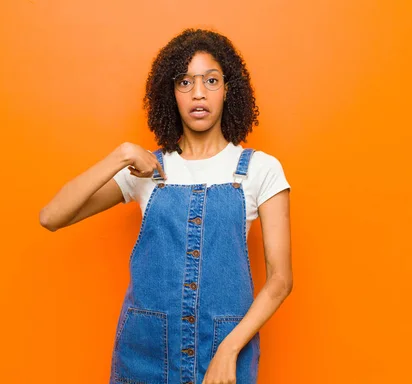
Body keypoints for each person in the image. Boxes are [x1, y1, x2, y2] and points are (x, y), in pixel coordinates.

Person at [39, 28, 293, 384]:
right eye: (185, 82)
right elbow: (51, 216)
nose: (199, 93)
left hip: (224, 353)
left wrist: (230, 349)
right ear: (170, 93)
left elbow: (281, 279)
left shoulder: (260, 169)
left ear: (228, 89)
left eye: (211, 80)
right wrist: (122, 155)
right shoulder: (147, 170)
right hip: (144, 355)